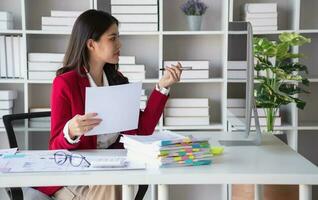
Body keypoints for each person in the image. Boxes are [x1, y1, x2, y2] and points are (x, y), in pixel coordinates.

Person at [34, 9, 182, 200]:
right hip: (73, 177)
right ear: (91, 44)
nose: (119, 44)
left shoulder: (117, 80)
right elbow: (55, 148)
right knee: (112, 181)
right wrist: (70, 131)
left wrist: (162, 87)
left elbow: (142, 129)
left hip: (109, 169)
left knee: (112, 179)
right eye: (113, 38)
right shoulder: (65, 83)